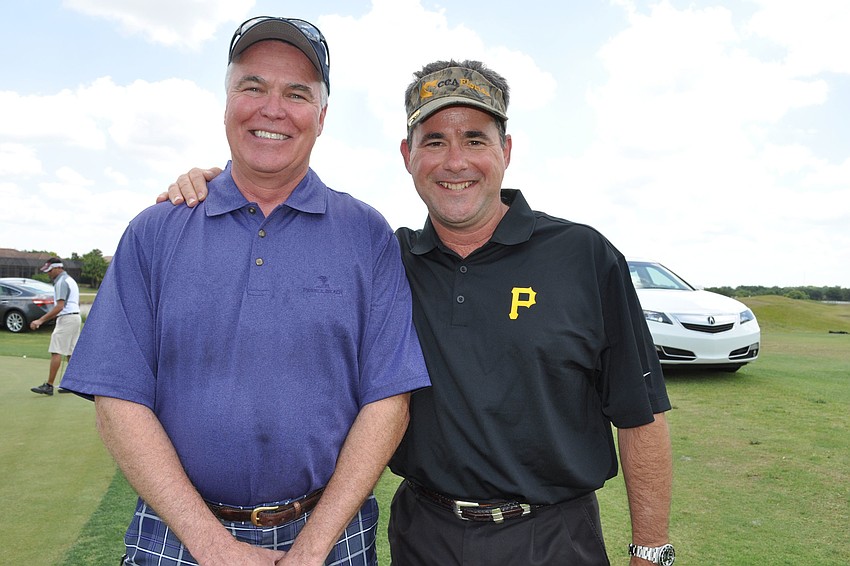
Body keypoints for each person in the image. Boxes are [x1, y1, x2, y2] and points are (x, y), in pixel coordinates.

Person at [165, 60, 675, 565]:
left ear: (507, 151)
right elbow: (284, 243)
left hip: (553, 537)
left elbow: (640, 410)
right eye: (434, 141)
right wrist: (223, 182)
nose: (455, 161)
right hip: (424, 536)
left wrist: (651, 550)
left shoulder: (582, 254)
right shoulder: (389, 259)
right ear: (408, 156)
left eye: (475, 139)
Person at [60, 16, 430, 566]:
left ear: (322, 117)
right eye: (252, 87)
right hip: (178, 535)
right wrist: (211, 545)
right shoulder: (156, 229)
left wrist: (311, 549)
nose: (272, 109)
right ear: (227, 101)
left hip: (328, 534)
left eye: (296, 93)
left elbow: (388, 401)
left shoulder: (366, 233)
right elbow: (118, 400)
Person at [29, 257, 81, 396]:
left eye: (50, 270)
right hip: (75, 317)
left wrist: (40, 320)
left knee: (56, 350)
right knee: (70, 352)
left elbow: (59, 307)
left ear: (58, 268)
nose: (49, 273)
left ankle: (49, 385)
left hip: (67, 318)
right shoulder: (70, 280)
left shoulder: (61, 282)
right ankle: (72, 384)